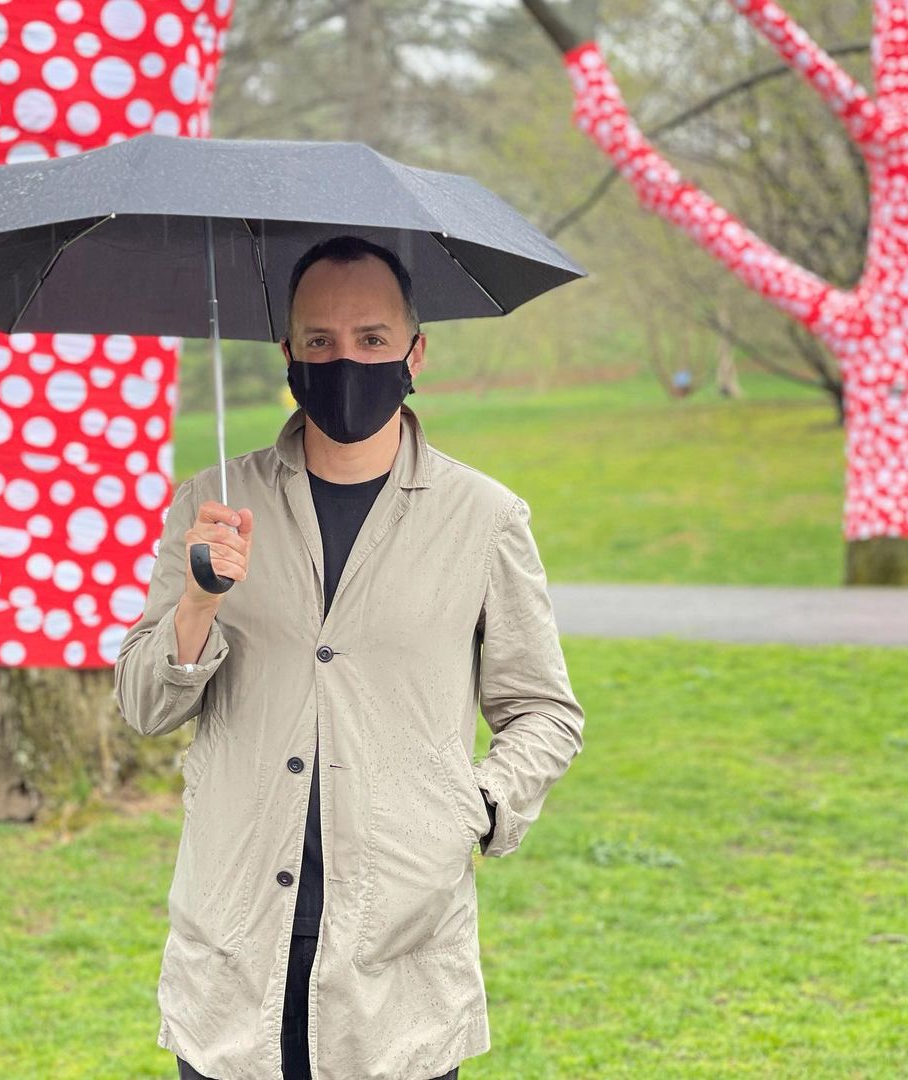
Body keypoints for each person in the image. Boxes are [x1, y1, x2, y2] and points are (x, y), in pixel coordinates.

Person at [113, 235, 585, 1080]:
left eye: (372, 339)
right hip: (235, 938)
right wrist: (199, 602)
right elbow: (145, 706)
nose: (346, 361)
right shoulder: (213, 505)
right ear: (288, 353)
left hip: (398, 950)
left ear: (415, 353)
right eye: (320, 341)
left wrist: (475, 807)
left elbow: (544, 711)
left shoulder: (484, 518)